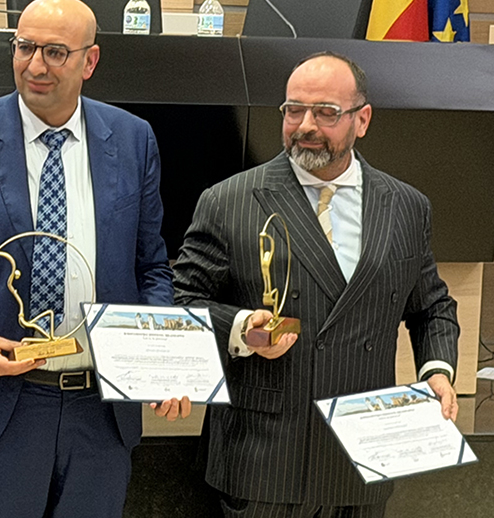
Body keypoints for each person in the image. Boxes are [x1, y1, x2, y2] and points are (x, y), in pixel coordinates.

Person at [0, 0, 189, 518]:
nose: (35, 66)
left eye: (55, 52)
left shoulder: (134, 140)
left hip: (101, 409)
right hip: (0, 404)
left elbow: (151, 267)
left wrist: (157, 360)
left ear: (89, 61)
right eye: (25, 47)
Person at [173, 51, 459, 518]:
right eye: (293, 110)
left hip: (361, 459)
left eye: (326, 112)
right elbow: (182, 300)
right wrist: (242, 327)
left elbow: (431, 307)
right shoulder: (229, 200)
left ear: (361, 119)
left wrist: (437, 372)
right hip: (264, 460)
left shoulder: (407, 206)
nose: (305, 125)